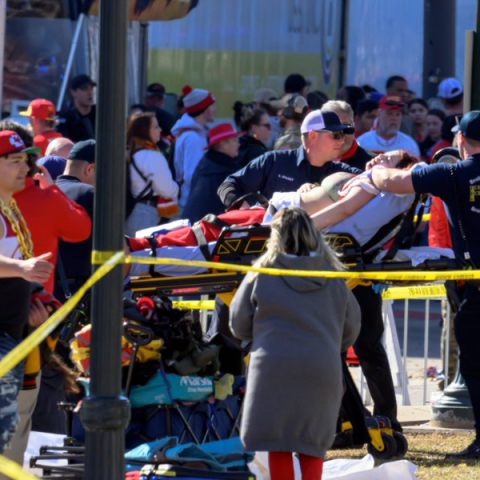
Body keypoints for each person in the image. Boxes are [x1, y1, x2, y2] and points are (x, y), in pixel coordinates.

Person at [366, 110, 480, 459]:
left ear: (460, 140)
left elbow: (392, 183)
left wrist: (380, 167)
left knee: (475, 363)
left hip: (477, 289)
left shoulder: (455, 172)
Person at [229, 206, 361, 480]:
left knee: (278, 443)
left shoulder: (263, 272)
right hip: (321, 367)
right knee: (313, 444)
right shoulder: (333, 276)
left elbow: (238, 324)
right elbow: (351, 328)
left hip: (273, 367)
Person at [0, 130, 54, 455]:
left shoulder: (11, 208)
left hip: (15, 334)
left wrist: (33, 293)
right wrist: (22, 270)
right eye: (15, 161)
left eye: (26, 160)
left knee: (12, 438)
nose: (26, 168)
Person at [218, 110, 361, 208]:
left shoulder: (342, 172)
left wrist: (379, 165)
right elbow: (228, 185)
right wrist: (248, 211)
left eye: (343, 135)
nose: (342, 141)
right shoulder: (274, 160)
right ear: (313, 136)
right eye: (336, 135)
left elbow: (371, 180)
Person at [54, 140, 96, 302]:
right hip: (78, 297)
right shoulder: (91, 194)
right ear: (90, 169)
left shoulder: (45, 192)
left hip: (44, 296)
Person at [125, 112, 179, 236]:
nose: (160, 129)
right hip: (147, 215)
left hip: (132, 213)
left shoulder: (129, 151)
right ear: (145, 131)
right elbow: (166, 190)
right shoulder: (152, 155)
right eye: (155, 127)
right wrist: (175, 187)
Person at [183, 123, 242, 222]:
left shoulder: (205, 164)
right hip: (209, 228)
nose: (238, 144)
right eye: (235, 140)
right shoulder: (226, 169)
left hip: (192, 223)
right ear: (223, 144)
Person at [171, 84, 216, 212]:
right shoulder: (193, 138)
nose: (215, 109)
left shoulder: (192, 134)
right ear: (205, 109)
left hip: (190, 201)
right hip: (191, 203)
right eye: (212, 105)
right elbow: (192, 175)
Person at [322, 100, 374, 171]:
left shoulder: (372, 163)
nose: (341, 135)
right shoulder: (308, 159)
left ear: (353, 126)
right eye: (334, 128)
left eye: (345, 126)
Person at [57, 74, 96, 143]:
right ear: (73, 92)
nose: (90, 93)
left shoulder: (99, 114)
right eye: (85, 89)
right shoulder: (68, 120)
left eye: (91, 88)